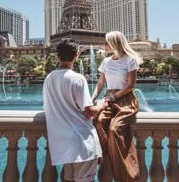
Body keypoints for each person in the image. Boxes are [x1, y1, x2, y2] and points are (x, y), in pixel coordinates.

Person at [43, 38, 107, 182]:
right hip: (81, 142)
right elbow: (88, 112)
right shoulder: (77, 78)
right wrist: (102, 105)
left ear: (58, 56)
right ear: (76, 55)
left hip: (62, 144)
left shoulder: (48, 79)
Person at [91, 31, 141, 182]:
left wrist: (114, 96)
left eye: (106, 43)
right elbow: (100, 83)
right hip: (109, 99)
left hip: (125, 99)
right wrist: (92, 97)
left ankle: (126, 173)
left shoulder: (130, 60)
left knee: (113, 130)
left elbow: (131, 85)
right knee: (98, 121)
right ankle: (105, 155)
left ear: (114, 43)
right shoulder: (106, 62)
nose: (104, 45)